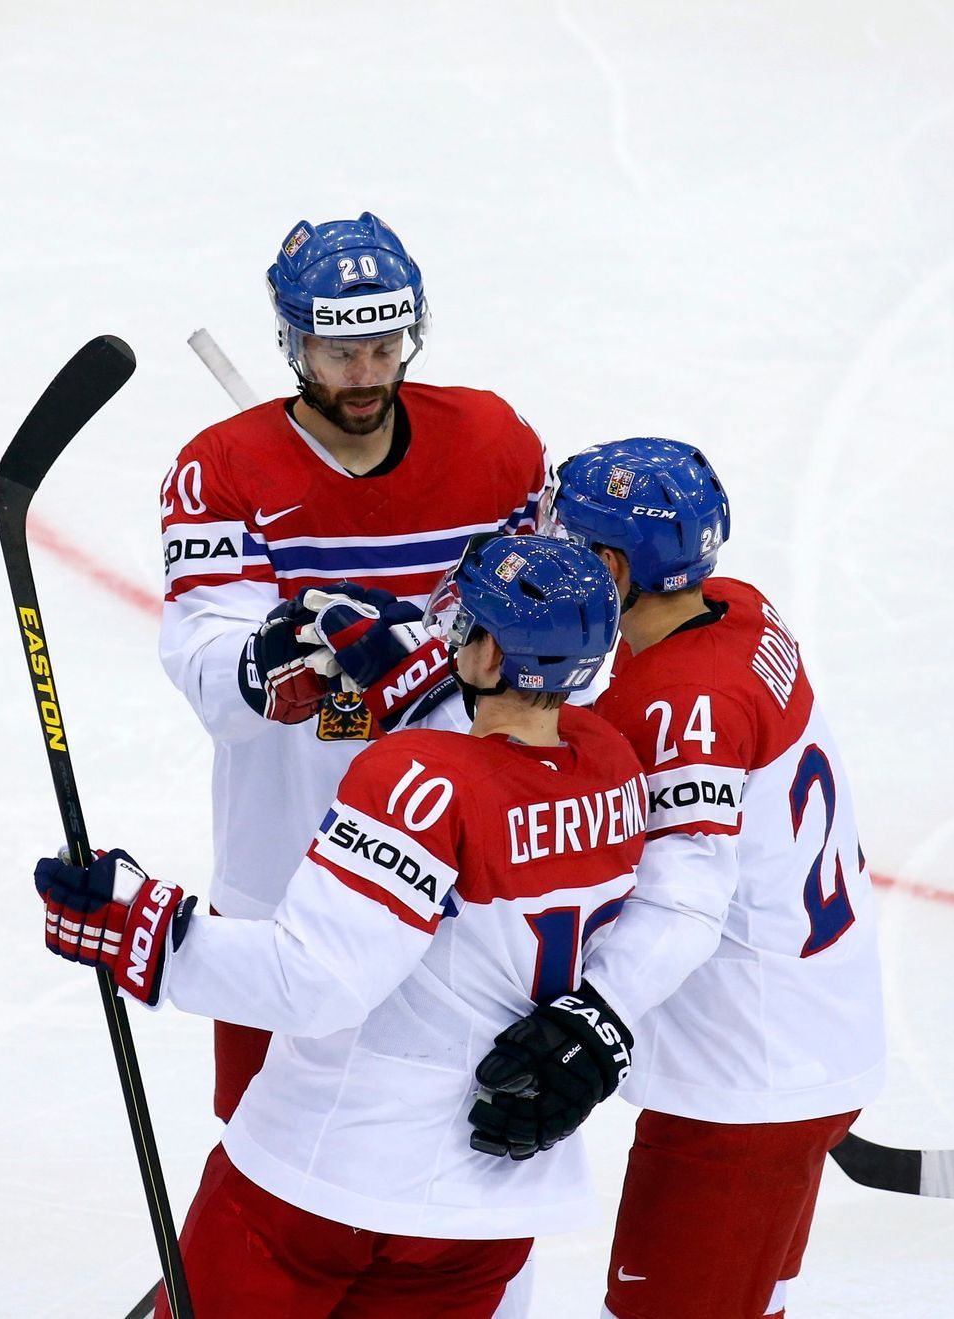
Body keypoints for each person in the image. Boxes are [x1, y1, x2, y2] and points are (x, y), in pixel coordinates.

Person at [41, 536, 644, 1318]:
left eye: (468, 625)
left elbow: (312, 981)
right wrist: (429, 698)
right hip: (487, 1201)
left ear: (491, 653)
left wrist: (141, 928)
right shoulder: (610, 761)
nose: (449, 631)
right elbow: (501, 783)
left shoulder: (418, 780)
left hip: (326, 1177)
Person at [468, 439, 885, 1319]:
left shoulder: (677, 709)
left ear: (614, 564)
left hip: (744, 1080)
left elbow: (685, 893)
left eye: (571, 542)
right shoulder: (739, 609)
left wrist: (598, 1020)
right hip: (807, 1030)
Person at [157, 212, 549, 1130]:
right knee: (261, 1124)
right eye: (338, 352)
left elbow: (546, 622)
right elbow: (207, 652)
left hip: (458, 851)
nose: (365, 374)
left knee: (458, 1122)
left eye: (382, 344)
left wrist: (444, 655)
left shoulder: (492, 442)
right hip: (287, 849)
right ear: (292, 343)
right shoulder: (223, 469)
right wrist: (267, 663)